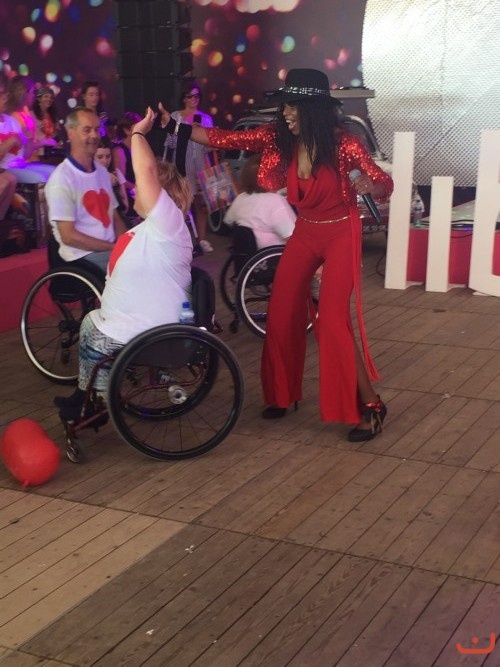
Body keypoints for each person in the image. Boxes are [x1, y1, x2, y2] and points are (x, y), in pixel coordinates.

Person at [160, 68, 394, 441]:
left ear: (312, 109)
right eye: (284, 106)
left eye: (292, 106)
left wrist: (372, 185)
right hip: (307, 231)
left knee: (332, 321)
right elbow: (223, 137)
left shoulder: (344, 144)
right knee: (282, 312)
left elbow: (384, 183)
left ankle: (370, 404)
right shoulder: (278, 138)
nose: (285, 113)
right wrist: (176, 127)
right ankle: (283, 394)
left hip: (340, 231)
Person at [54, 107, 193, 421]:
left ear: (159, 194)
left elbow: (146, 170)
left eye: (141, 187)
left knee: (96, 337)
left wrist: (138, 133)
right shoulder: (152, 228)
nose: (134, 189)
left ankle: (97, 404)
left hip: (150, 329)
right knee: (89, 323)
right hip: (135, 320)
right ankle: (87, 396)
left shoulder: (168, 221)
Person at [44, 106, 127, 275]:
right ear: (70, 133)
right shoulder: (62, 179)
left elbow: (115, 217)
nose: (94, 135)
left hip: (108, 249)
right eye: (87, 130)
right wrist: (113, 248)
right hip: (83, 257)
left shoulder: (101, 172)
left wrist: (125, 244)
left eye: (96, 129)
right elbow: (68, 236)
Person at [164, 80, 215, 254]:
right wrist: (187, 132)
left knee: (201, 205)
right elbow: (170, 143)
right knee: (182, 204)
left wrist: (202, 133)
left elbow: (210, 146)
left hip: (201, 165)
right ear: (184, 98)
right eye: (190, 96)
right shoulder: (176, 116)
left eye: (197, 96)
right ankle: (180, 241)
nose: (194, 99)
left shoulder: (206, 118)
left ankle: (201, 240)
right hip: (181, 165)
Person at [224, 153, 296, 249]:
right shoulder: (275, 201)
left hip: (247, 254)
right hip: (273, 254)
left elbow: (229, 221)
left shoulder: (240, 198)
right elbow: (291, 234)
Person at [0, 74, 55, 183]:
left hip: (21, 165)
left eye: (5, 96)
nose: (6, 99)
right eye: (2, 97)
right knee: (41, 178)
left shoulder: (12, 121)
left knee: (55, 173)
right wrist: (13, 141)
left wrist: (28, 139)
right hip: (6, 169)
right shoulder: (15, 116)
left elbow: (25, 154)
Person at [113, 111, 141, 214]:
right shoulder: (119, 151)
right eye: (137, 127)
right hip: (129, 200)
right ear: (126, 130)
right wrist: (138, 189)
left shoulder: (137, 148)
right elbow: (121, 181)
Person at [95, 136, 128, 214]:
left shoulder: (117, 173)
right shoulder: (88, 175)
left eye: (108, 156)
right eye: (100, 157)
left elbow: (125, 206)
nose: (105, 161)